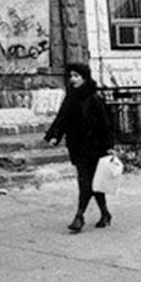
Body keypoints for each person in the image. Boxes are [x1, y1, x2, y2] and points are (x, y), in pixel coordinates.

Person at [44, 62, 114, 233]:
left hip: (95, 146)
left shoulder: (95, 99)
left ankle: (79, 216)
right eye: (71, 76)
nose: (73, 79)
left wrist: (109, 146)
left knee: (86, 181)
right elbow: (62, 118)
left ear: (84, 78)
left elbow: (106, 124)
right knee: (92, 181)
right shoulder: (71, 97)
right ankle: (105, 213)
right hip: (76, 145)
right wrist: (55, 136)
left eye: (76, 76)